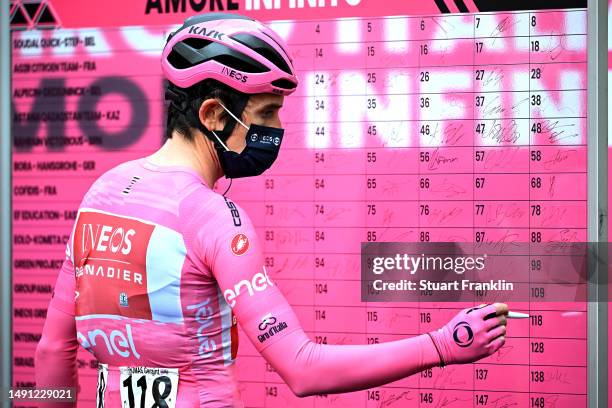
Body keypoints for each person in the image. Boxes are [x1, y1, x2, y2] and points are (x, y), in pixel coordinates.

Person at [34, 12, 509, 407]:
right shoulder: (213, 217)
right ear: (214, 115)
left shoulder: (101, 193)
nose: (277, 129)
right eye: (266, 114)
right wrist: (443, 344)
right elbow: (302, 369)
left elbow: (54, 348)